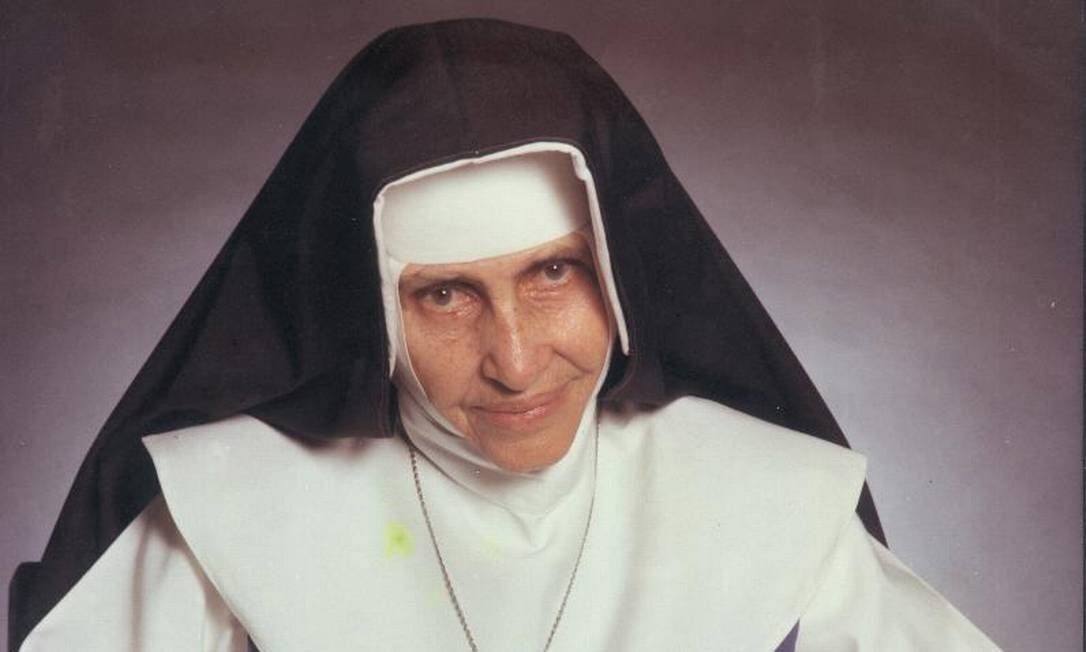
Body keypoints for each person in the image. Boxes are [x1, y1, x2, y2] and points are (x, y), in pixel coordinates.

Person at [11, 18, 1000, 651]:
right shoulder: (225, 513)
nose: (517, 362)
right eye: (445, 295)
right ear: (369, 307)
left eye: (553, 272)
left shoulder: (767, 502)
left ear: (620, 272)